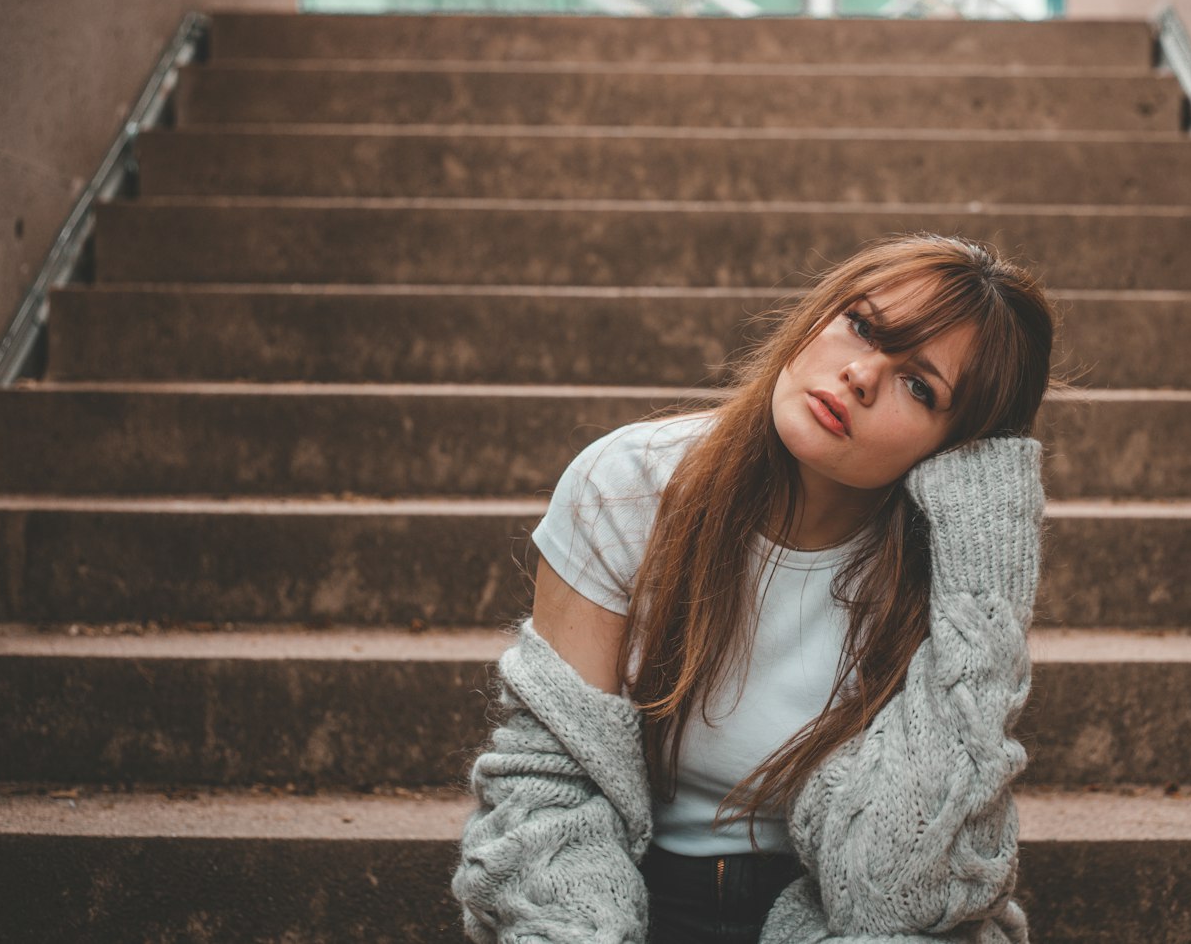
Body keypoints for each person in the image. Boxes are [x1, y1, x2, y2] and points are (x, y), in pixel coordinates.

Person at [452, 232, 1057, 943]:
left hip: (827, 913)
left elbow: (900, 898)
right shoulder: (626, 486)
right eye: (861, 325)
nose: (861, 374)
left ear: (958, 450)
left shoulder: (945, 573)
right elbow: (549, 788)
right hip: (621, 890)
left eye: (920, 386)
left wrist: (986, 590)